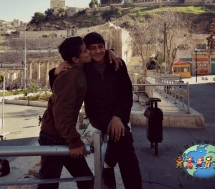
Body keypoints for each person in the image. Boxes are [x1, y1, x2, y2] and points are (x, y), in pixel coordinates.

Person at [50, 32, 142, 189]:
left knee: (121, 141)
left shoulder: (117, 64)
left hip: (117, 113)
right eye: (91, 48)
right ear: (86, 50)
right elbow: (60, 85)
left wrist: (118, 116)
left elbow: (126, 93)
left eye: (101, 47)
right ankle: (111, 169)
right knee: (124, 139)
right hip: (97, 114)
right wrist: (54, 72)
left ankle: (107, 166)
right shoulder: (83, 67)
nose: (98, 51)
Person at [38, 36, 94, 189]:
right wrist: (74, 140)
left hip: (63, 136)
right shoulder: (69, 76)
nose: (89, 52)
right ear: (76, 59)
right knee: (48, 185)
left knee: (87, 179)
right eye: (85, 51)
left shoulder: (78, 70)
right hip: (54, 137)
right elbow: (62, 112)